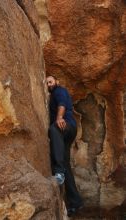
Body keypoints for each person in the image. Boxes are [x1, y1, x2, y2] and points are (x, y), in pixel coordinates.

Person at [46, 75, 83, 217]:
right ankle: (76, 202)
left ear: (56, 82)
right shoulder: (54, 93)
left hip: (66, 126)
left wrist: (59, 118)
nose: (49, 84)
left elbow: (62, 104)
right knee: (67, 164)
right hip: (66, 134)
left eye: (51, 81)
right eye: (47, 83)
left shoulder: (59, 90)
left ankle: (59, 172)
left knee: (54, 128)